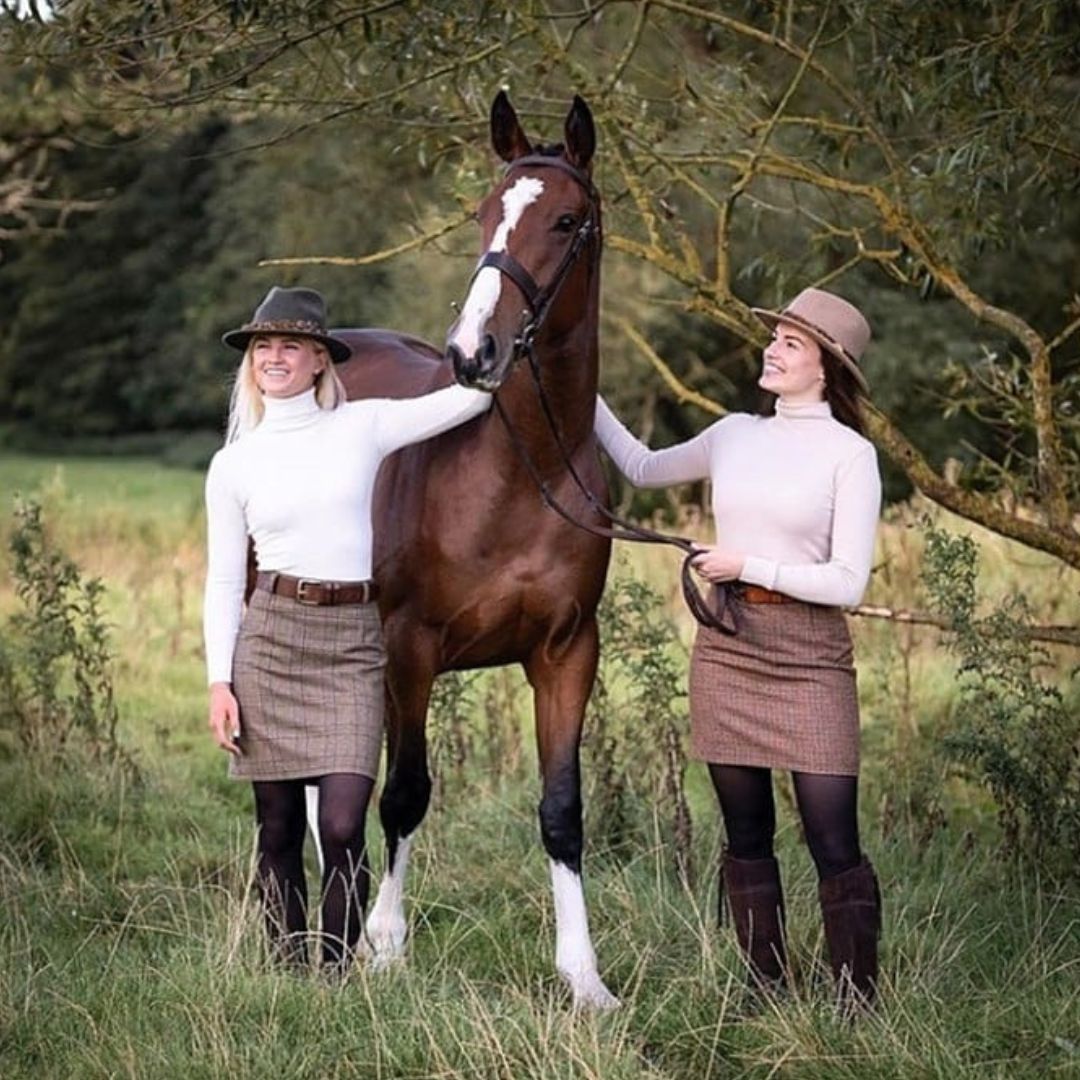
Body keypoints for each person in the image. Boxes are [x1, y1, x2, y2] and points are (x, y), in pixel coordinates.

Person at [595, 287, 883, 1009]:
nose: (772, 349)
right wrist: (576, 372)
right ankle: (765, 985)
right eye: (775, 338)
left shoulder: (852, 455)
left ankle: (855, 996)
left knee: (832, 837)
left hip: (811, 655)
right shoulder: (732, 434)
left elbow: (847, 582)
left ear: (827, 367)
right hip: (728, 645)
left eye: (791, 342)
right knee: (745, 828)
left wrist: (743, 565)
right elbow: (637, 465)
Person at [203, 285, 492, 976]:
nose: (275, 358)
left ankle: (334, 970)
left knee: (339, 825)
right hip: (269, 641)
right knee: (275, 828)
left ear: (318, 362)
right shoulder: (234, 462)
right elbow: (223, 580)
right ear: (252, 364)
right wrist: (220, 677)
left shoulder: (362, 426)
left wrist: (503, 331)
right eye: (263, 347)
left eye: (291, 347)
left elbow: (469, 399)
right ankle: (290, 968)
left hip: (352, 645)